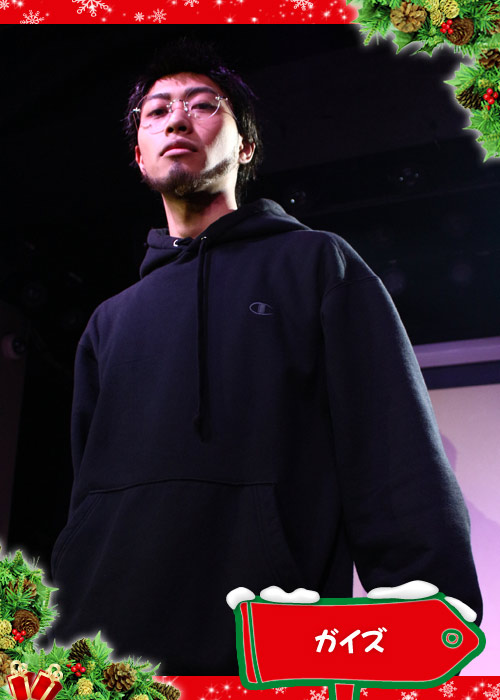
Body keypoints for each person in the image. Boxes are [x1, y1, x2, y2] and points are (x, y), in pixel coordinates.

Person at [51, 40, 482, 674]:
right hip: (103, 643)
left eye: (203, 105)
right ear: (140, 154)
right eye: (157, 111)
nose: (176, 119)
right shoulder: (108, 321)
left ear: (246, 146)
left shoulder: (316, 264)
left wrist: (430, 608)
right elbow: (87, 493)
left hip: (260, 636)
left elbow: (390, 443)